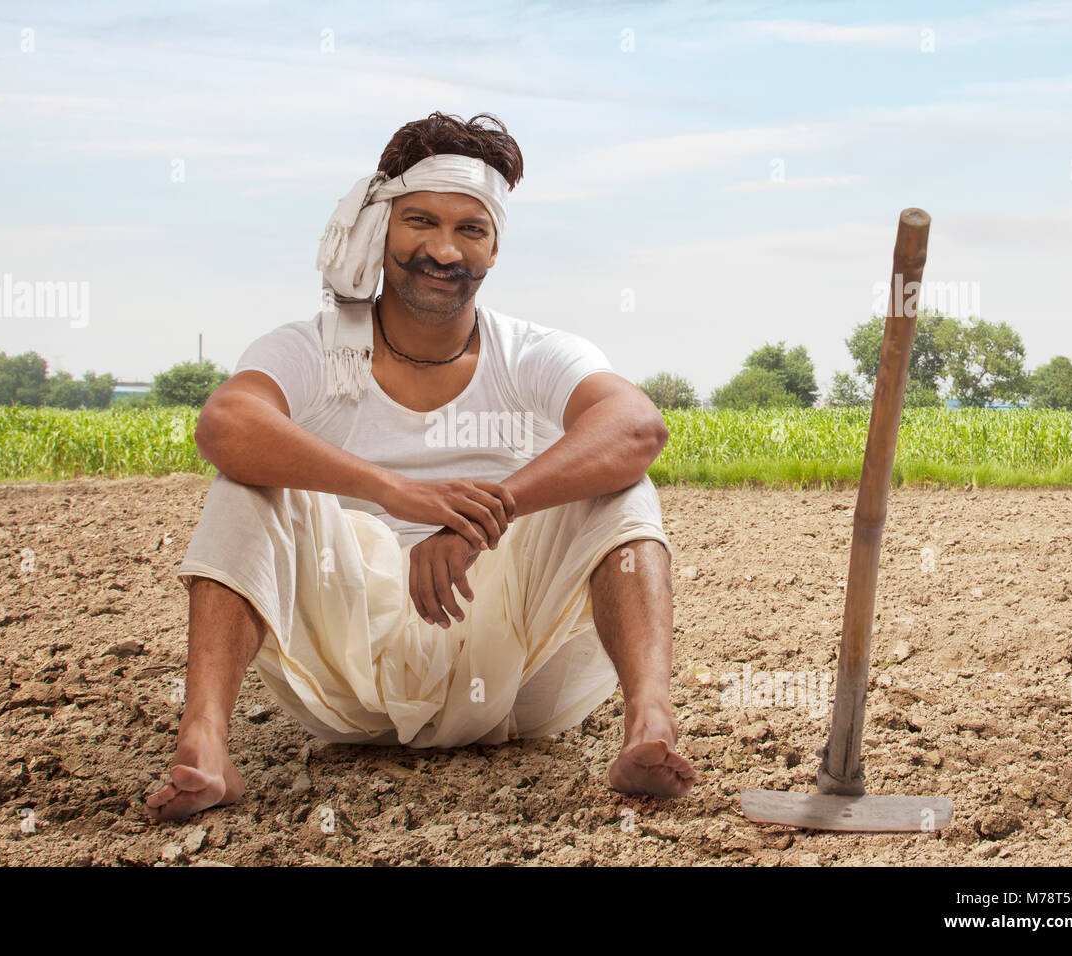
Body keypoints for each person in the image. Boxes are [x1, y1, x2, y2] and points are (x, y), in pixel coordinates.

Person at [146, 111, 695, 822]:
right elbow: (225, 424)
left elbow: (635, 426)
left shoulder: (529, 350)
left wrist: (478, 519)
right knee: (245, 485)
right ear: (380, 231)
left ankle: (651, 726)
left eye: (471, 229)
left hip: (512, 672)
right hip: (349, 668)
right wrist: (396, 493)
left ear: (495, 249)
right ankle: (205, 743)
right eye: (420, 222)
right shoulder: (313, 347)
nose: (443, 250)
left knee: (623, 487)